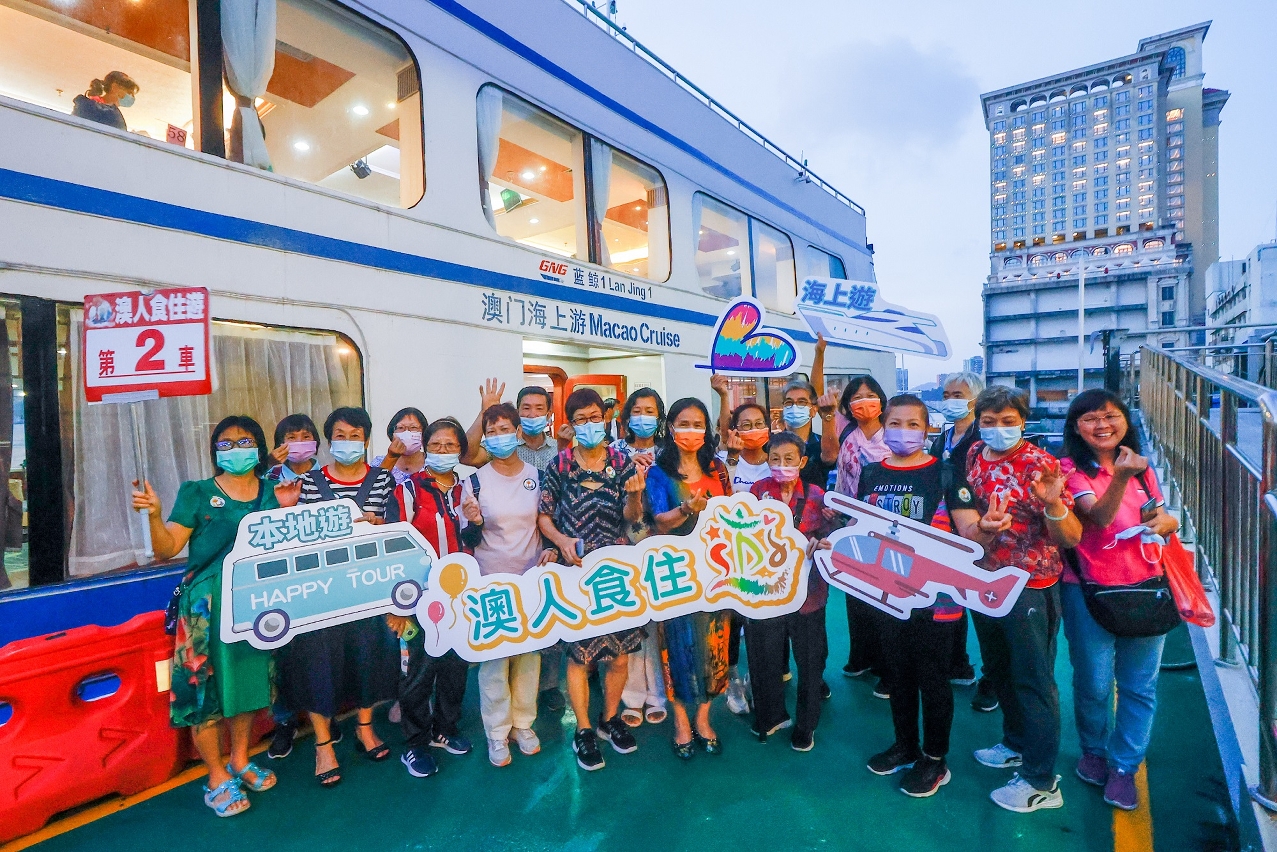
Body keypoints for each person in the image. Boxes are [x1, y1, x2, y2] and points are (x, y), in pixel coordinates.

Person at [131, 416, 280, 817]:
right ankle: (215, 776)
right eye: (225, 443)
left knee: (248, 685)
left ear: (259, 447)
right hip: (206, 608)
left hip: (254, 603)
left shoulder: (274, 492)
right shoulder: (196, 492)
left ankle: (240, 759)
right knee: (204, 692)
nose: (235, 449)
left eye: (244, 441)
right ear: (215, 451)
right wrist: (154, 515)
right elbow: (167, 549)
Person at [949, 385, 1082, 814]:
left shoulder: (1041, 464)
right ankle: (1016, 742)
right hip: (985, 579)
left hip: (1030, 585)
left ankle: (1042, 780)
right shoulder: (975, 454)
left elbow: (1070, 537)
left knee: (1033, 679)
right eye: (989, 421)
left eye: (1008, 421)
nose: (998, 429)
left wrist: (1053, 505)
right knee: (1000, 668)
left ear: (1023, 421)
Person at [1059, 389, 1179, 811]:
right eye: (1090, 418)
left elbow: (1158, 515)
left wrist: (1167, 522)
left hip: (1146, 583)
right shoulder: (1070, 470)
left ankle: (1125, 766)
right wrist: (1123, 476)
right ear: (1076, 428)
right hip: (1088, 588)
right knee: (1093, 681)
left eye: (1110, 416)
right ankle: (1093, 750)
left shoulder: (1142, 469)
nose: (1102, 425)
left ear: (1125, 420)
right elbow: (1099, 517)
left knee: (1139, 685)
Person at [859, 395, 977, 797]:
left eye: (913, 424)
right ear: (883, 425)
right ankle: (905, 745)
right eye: (895, 423)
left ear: (927, 430)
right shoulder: (871, 473)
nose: (904, 431)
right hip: (888, 593)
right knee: (898, 673)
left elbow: (970, 531)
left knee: (933, 677)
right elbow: (861, 527)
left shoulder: (946, 474)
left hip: (937, 597)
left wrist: (987, 527)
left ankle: (934, 758)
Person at [275, 407, 399, 788]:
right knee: (318, 665)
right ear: (328, 442)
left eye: (355, 435)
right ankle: (323, 744)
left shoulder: (383, 480)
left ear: (367, 440)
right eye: (340, 436)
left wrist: (380, 525)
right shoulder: (308, 483)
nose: (348, 442)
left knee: (369, 658)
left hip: (369, 589)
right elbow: (292, 538)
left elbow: (396, 531)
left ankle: (364, 728)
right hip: (321, 594)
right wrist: (287, 511)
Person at [537, 388, 647, 771]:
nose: (589, 425)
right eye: (580, 419)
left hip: (618, 571)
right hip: (578, 572)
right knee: (580, 657)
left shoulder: (621, 461)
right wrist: (561, 541)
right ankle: (583, 729)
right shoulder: (560, 464)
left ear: (605, 418)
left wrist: (635, 497)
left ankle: (609, 719)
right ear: (569, 424)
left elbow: (634, 519)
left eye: (594, 417)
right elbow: (544, 516)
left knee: (619, 655)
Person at [385, 418, 481, 777]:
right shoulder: (408, 490)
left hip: (461, 596)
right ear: (426, 448)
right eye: (437, 445)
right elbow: (394, 546)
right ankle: (416, 744)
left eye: (451, 445)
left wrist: (477, 521)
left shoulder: (467, 488)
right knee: (419, 671)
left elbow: (473, 542)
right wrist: (398, 606)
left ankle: (445, 728)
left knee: (455, 667)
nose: (443, 451)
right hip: (420, 598)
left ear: (460, 451)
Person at [464, 403, 558, 766]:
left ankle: (523, 724)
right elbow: (468, 538)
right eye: (492, 432)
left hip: (531, 581)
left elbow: (547, 522)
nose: (499, 437)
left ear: (518, 433)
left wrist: (550, 549)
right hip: (491, 584)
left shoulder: (539, 476)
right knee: (494, 661)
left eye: (505, 429)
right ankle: (496, 732)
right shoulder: (475, 481)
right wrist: (474, 522)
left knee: (529, 657)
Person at [645, 398, 732, 759]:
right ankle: (681, 721)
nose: (691, 431)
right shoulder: (658, 473)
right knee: (676, 646)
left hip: (716, 571)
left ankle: (704, 718)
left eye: (698, 424)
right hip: (675, 574)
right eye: (684, 423)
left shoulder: (718, 469)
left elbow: (731, 515)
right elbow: (658, 521)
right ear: (670, 428)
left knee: (715, 644)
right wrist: (685, 509)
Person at [746, 431, 832, 752]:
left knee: (810, 661)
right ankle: (770, 715)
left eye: (789, 459)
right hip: (767, 591)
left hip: (809, 593)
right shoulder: (757, 492)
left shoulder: (818, 496)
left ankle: (806, 725)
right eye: (775, 459)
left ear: (802, 461)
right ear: (767, 461)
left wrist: (823, 539)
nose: (781, 465)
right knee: (765, 655)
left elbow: (831, 537)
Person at [828, 375, 892, 695]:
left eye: (869, 395)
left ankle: (888, 667)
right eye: (856, 397)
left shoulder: (893, 435)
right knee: (856, 593)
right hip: (852, 523)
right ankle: (862, 656)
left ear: (881, 399)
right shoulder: (847, 435)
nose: (863, 402)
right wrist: (838, 512)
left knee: (884, 594)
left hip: (888, 527)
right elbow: (842, 477)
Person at [263, 412, 322, 760]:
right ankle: (285, 722)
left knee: (320, 649)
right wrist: (269, 465)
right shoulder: (268, 478)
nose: (299, 442)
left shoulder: (327, 474)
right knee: (282, 652)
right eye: (290, 437)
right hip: (281, 578)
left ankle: (325, 716)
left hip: (321, 575)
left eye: (305, 435)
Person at [927, 372, 989, 703]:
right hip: (944, 531)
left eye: (958, 395)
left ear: (975, 400)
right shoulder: (943, 438)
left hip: (979, 528)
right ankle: (957, 663)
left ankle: (989, 678)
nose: (950, 400)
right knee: (951, 597)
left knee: (980, 604)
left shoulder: (983, 437)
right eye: (947, 394)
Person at [611, 387, 669, 728]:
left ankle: (659, 694)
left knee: (659, 619)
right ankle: (632, 696)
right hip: (624, 541)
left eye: (650, 411)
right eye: (637, 410)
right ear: (627, 416)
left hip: (662, 540)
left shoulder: (668, 452)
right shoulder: (614, 452)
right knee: (632, 617)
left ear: (659, 417)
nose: (643, 417)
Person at [715, 400, 773, 715]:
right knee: (733, 618)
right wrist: (732, 459)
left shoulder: (777, 460)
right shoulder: (723, 462)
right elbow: (721, 500)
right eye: (745, 425)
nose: (752, 430)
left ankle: (762, 677)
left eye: (758, 423)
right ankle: (733, 681)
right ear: (734, 430)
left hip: (769, 555)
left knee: (765, 619)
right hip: (732, 555)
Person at [373, 407, 428, 485]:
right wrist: (390, 458)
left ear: (424, 433)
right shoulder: (378, 462)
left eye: (413, 427)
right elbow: (373, 487)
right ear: (392, 434)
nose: (407, 433)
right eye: (400, 428)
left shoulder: (433, 463)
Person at [72, 71, 138, 131]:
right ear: (114, 87)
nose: (131, 97)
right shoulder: (93, 108)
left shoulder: (89, 105)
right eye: (129, 92)